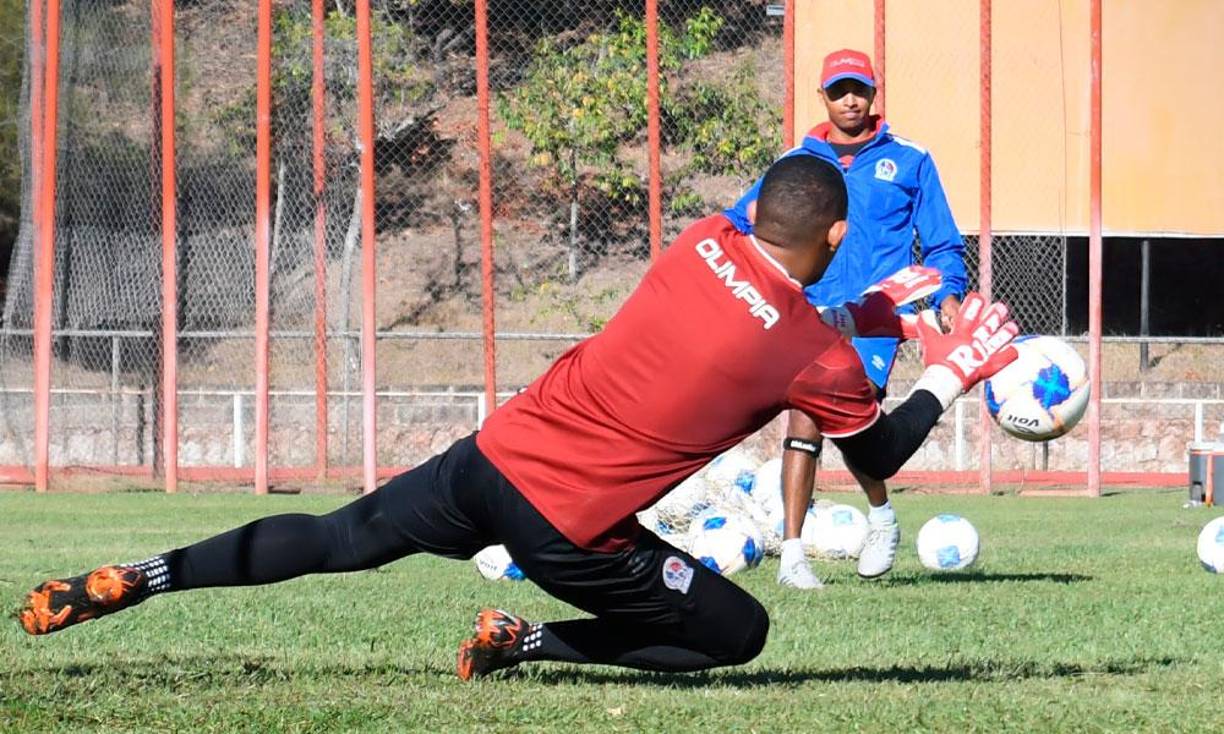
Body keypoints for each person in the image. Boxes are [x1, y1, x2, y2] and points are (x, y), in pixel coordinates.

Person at [19, 157, 1016, 680]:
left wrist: (860, 306)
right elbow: (878, 443)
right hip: (569, 525)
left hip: (495, 453)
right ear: (838, 235)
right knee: (737, 631)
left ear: (758, 213)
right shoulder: (817, 354)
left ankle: (148, 574)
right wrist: (959, 364)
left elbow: (759, 312)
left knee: (339, 536)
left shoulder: (704, 238)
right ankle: (533, 640)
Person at [725, 49, 968, 589]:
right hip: (805, 312)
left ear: (874, 94)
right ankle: (793, 557)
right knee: (804, 418)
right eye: (838, 91)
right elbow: (742, 220)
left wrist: (948, 293)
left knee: (852, 423)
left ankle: (880, 514)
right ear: (823, 98)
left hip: (875, 318)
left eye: (858, 89)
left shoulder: (910, 160)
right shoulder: (797, 162)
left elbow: (945, 242)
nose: (849, 100)